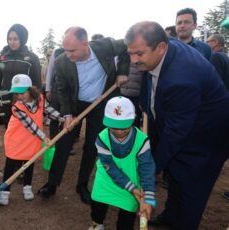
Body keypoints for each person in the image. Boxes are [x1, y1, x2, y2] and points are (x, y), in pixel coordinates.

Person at [125, 21, 229, 230]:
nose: (133, 61)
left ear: (161, 48)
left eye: (139, 54)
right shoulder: (161, 48)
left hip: (205, 142)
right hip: (184, 124)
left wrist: (150, 168)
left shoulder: (181, 79)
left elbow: (175, 135)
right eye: (130, 53)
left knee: (191, 191)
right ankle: (170, 217)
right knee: (174, 178)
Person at [37, 27, 129, 204]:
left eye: (72, 50)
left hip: (99, 102)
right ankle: (52, 183)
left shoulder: (106, 46)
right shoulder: (62, 61)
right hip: (75, 103)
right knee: (63, 141)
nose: (68, 54)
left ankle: (82, 184)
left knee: (92, 144)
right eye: (65, 49)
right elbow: (62, 89)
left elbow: (126, 48)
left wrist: (122, 71)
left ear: (85, 44)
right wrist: (68, 114)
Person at [88, 96, 155, 230]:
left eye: (124, 127)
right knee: (97, 204)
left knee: (127, 217)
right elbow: (110, 167)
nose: (119, 131)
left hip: (132, 178)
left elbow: (147, 167)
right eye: (114, 127)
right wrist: (131, 187)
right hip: (108, 177)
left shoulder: (142, 141)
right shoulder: (102, 138)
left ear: (132, 120)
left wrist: (148, 198)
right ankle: (97, 224)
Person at [0, 74, 63, 205]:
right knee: (10, 164)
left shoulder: (40, 100)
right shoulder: (17, 107)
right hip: (16, 139)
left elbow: (49, 110)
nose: (19, 96)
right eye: (17, 93)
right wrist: (44, 137)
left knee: (29, 161)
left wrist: (62, 118)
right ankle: (5, 192)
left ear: (30, 89)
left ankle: (27, 187)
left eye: (22, 92)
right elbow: (30, 125)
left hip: (32, 139)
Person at [0, 24, 41, 128]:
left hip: (24, 101)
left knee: (23, 132)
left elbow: (37, 82)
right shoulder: (3, 57)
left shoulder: (32, 58)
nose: (12, 42)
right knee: (9, 129)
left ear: (23, 38)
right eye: (9, 39)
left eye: (15, 39)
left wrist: (34, 101)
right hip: (6, 102)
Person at [120, 63, 143, 128]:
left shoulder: (141, 61)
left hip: (136, 96)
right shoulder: (123, 60)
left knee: (134, 119)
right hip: (122, 95)